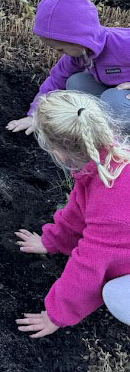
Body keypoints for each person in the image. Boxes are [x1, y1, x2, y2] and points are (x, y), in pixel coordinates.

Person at [15, 90, 130, 337]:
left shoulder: (111, 199)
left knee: (117, 297)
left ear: (58, 153)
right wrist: (51, 241)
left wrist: (57, 314)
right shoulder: (107, 159)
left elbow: (90, 266)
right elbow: (77, 211)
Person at [6, 0, 130, 136]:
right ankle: (97, 125)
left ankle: (120, 143)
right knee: (75, 83)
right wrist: (34, 115)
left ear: (79, 40)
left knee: (113, 100)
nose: (58, 53)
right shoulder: (78, 55)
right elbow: (56, 80)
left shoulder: (122, 44)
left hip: (120, 98)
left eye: (60, 49)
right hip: (113, 91)